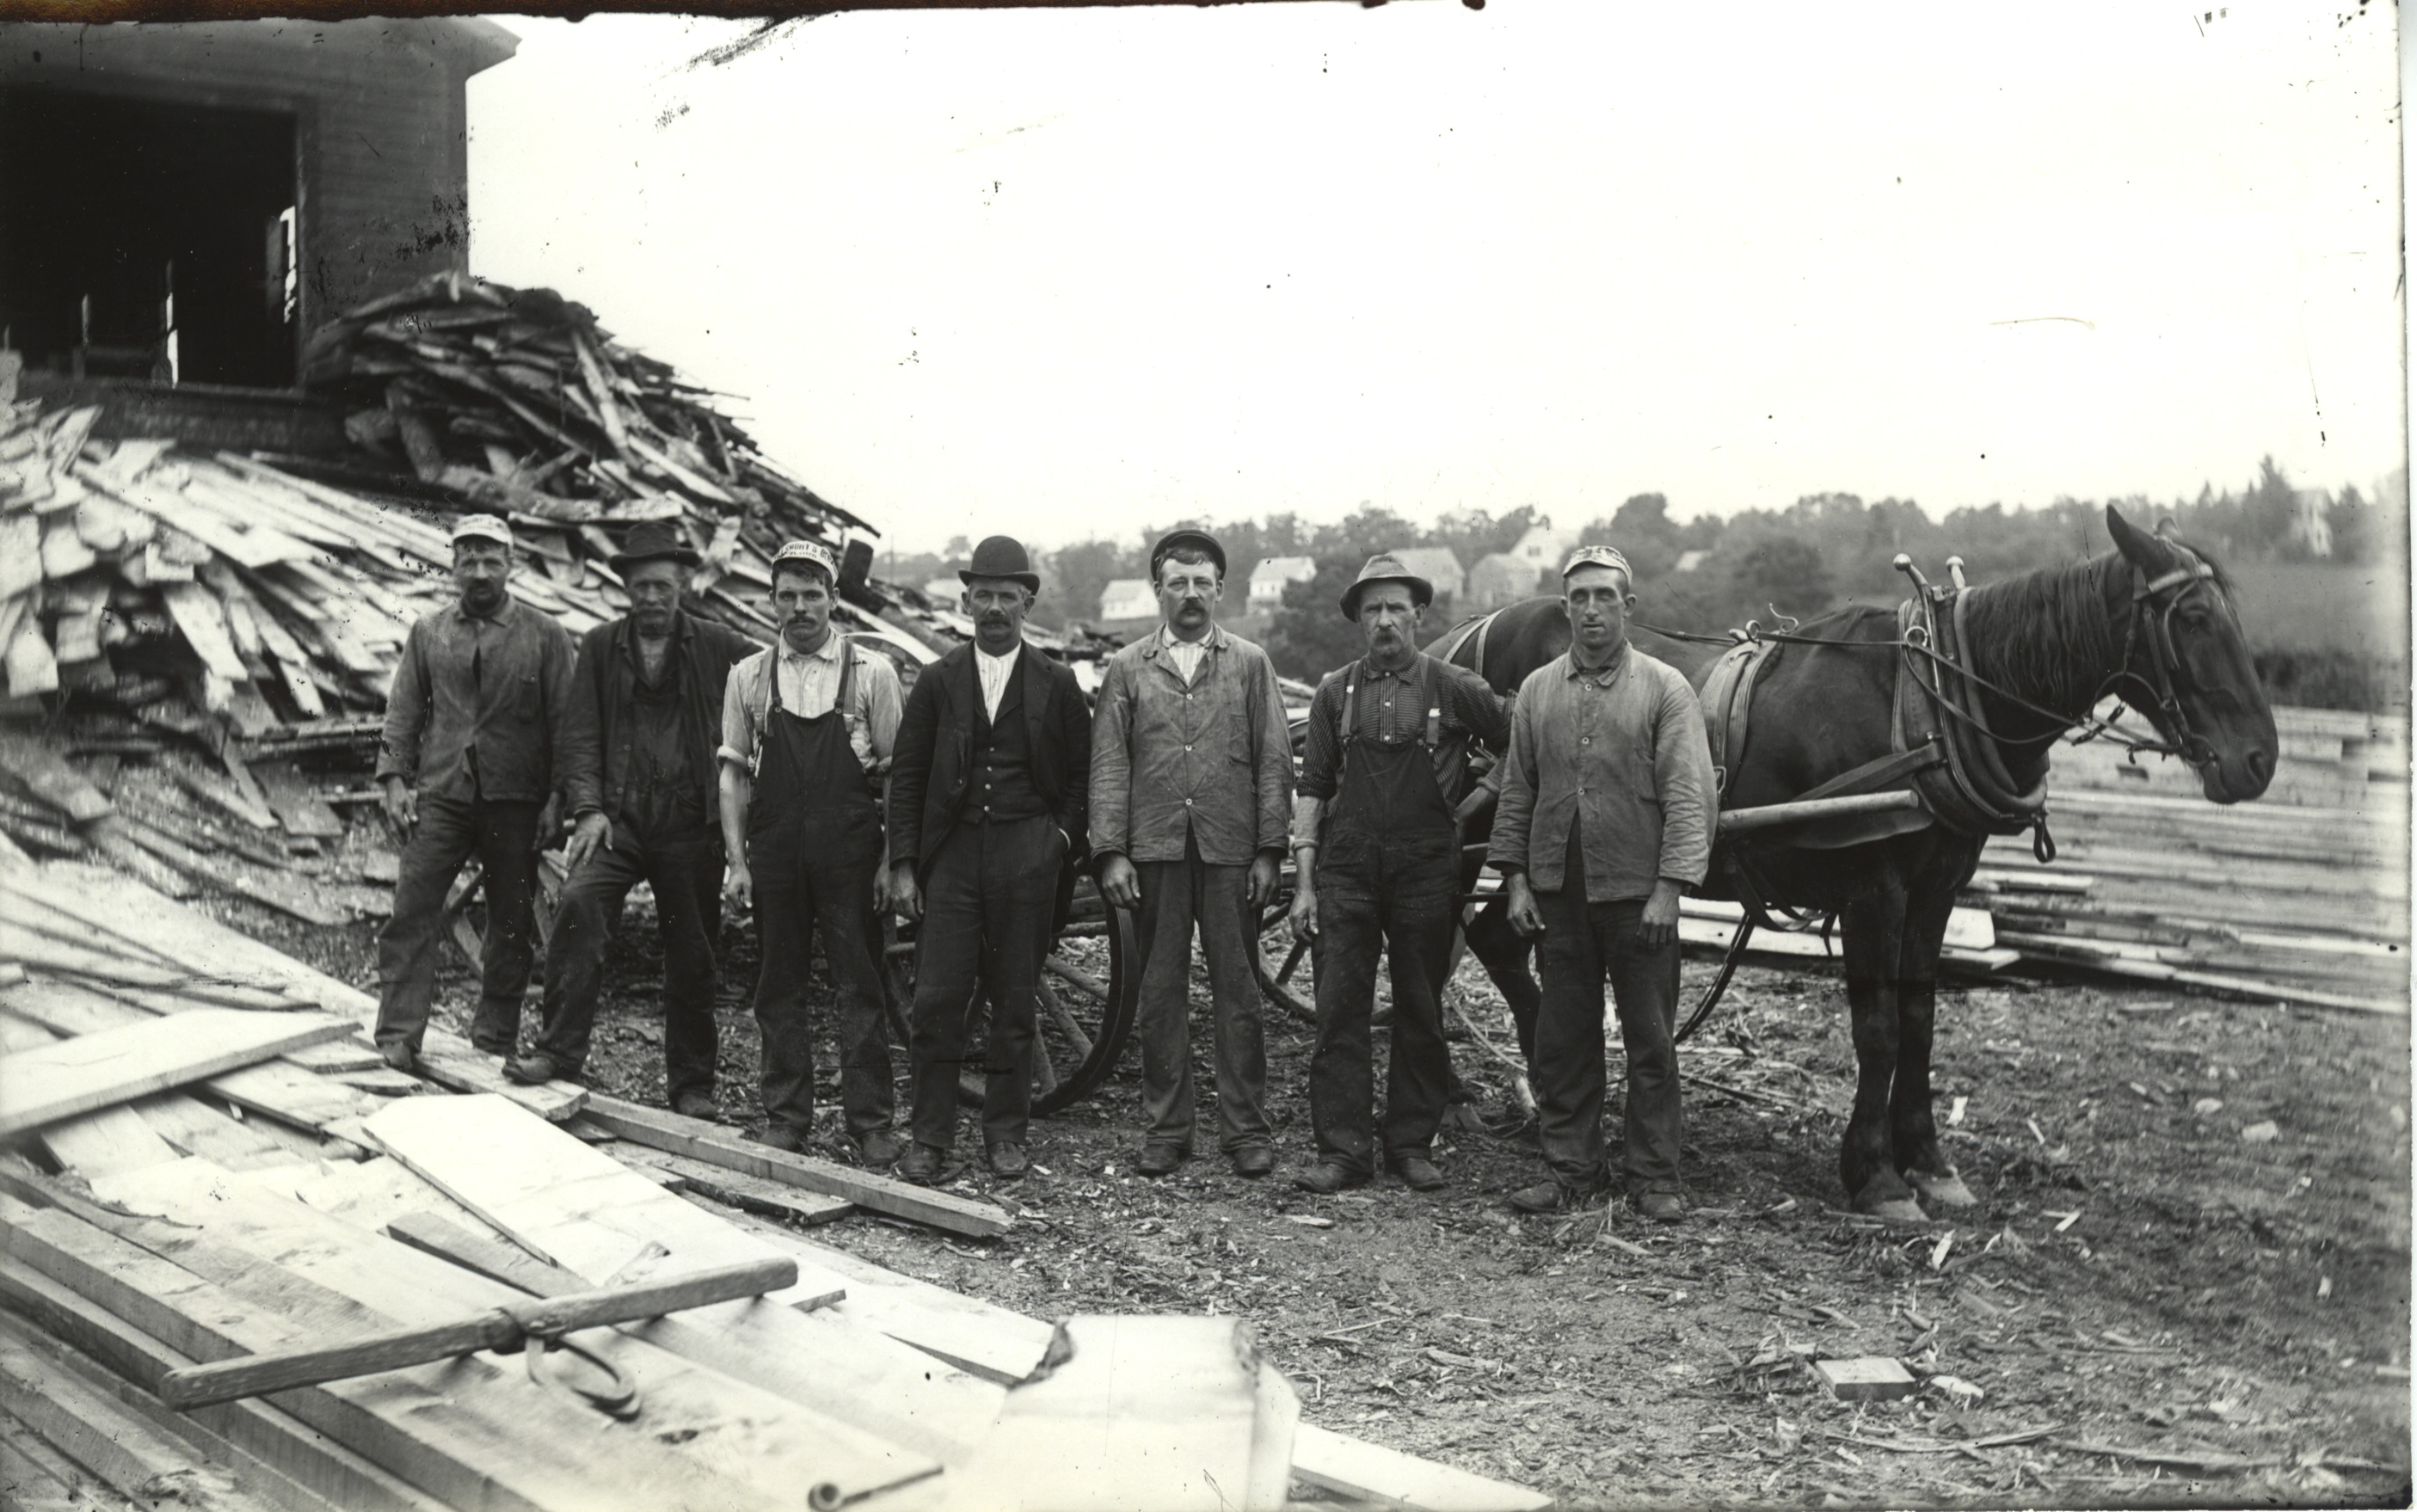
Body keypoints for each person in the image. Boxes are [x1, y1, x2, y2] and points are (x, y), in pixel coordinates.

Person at [1490, 545, 1716, 1220]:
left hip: (1638, 900)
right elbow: (1517, 793)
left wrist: (1670, 890)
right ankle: (1572, 1171)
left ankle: (1654, 1177)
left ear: (1628, 606)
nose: (1592, 610)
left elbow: (1688, 797)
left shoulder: (1665, 689)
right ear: (1566, 608)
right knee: (1565, 1040)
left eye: (1605, 597)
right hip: (1559, 898)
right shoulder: (1537, 692)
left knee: (1651, 1042)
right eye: (1580, 598)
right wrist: (1516, 882)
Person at [508, 521, 754, 1114]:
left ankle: (691, 1086)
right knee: (578, 906)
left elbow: (772, 688)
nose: (651, 597)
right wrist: (588, 810)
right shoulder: (600, 646)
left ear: (682, 586)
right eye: (641, 586)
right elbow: (579, 735)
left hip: (690, 824)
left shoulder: (719, 645)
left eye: (662, 586)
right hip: (617, 822)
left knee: (693, 949)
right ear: (625, 588)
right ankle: (558, 1053)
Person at [1288, 553, 1510, 1195]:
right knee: (1339, 1012)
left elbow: (1520, 740)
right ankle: (1344, 1153)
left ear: (1419, 615)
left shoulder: (1455, 688)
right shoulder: (1334, 693)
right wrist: (1304, 884)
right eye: (1373, 610)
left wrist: (1472, 804)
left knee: (1419, 1009)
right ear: (1359, 620)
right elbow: (1313, 787)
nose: (1385, 620)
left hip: (1424, 873)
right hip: (1347, 871)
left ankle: (1411, 1145)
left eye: (1396, 608)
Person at [887, 536, 1092, 1184]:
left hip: (1027, 854)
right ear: (966, 601)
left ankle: (1005, 1135)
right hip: (952, 857)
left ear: (1027, 604)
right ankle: (929, 1138)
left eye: (1007, 596)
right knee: (936, 1001)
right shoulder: (938, 679)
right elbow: (907, 774)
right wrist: (904, 863)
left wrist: (1058, 842)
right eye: (984, 596)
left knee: (1015, 1003)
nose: (995, 608)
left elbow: (1082, 779)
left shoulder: (1058, 682)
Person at [1090, 529, 1294, 1179]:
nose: (1190, 594)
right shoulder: (1128, 667)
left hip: (1231, 849)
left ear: (1220, 590)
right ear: (1158, 589)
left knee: (1240, 993)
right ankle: (1166, 1130)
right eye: (1177, 582)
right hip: (1155, 851)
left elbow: (1274, 760)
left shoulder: (1250, 663)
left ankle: (1246, 1132)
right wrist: (1111, 852)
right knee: (1159, 992)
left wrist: (1269, 850)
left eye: (1202, 582)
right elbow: (1109, 764)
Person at [717, 539, 905, 1161]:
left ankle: (871, 1123)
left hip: (849, 851)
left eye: (812, 594)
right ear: (772, 602)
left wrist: (890, 861)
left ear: (833, 599)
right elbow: (733, 775)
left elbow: (896, 778)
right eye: (787, 596)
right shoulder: (748, 677)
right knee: (778, 985)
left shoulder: (872, 673)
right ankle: (786, 1117)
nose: (800, 608)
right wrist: (737, 862)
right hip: (775, 850)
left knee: (861, 985)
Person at [372, 514, 578, 1071]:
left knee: (511, 919)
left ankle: (494, 1036)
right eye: (469, 560)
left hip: (516, 798)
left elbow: (567, 724)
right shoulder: (429, 632)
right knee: (413, 908)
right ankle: (399, 1035)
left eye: (491, 560)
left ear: (511, 565)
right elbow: (403, 712)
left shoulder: (545, 635)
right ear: (453, 566)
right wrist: (394, 781)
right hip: (443, 792)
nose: (480, 572)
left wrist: (558, 798)